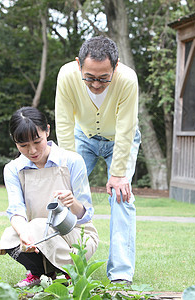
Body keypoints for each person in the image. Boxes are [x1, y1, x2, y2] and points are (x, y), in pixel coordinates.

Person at [55, 36, 140, 284]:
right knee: (63, 191)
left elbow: (126, 128)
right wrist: (67, 170)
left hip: (120, 140)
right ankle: (60, 264)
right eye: (90, 77)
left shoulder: (127, 79)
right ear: (78, 65)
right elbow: (63, 122)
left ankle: (121, 274)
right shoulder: (67, 76)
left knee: (122, 196)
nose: (96, 84)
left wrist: (118, 173)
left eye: (104, 78)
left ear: (116, 67)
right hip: (83, 137)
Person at [0, 106, 99, 288]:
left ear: (47, 131)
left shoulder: (72, 161)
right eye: (23, 146)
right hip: (41, 236)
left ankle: (71, 271)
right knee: (10, 236)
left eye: (37, 141)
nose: (32, 150)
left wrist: (73, 202)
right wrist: (23, 234)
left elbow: (86, 214)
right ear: (14, 142)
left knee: (35, 225)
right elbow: (16, 210)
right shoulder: (13, 169)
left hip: (76, 235)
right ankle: (41, 273)